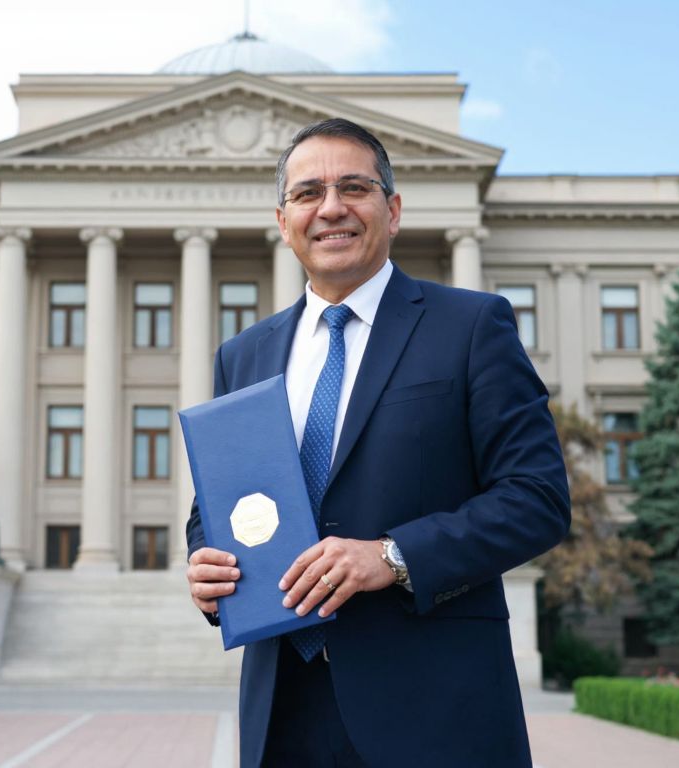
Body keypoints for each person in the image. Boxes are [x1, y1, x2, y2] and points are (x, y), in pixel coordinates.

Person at [185, 117, 570, 767]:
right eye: (308, 194)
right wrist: (206, 564)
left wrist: (391, 557)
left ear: (391, 210)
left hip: (434, 712)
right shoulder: (244, 355)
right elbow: (217, 505)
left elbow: (537, 500)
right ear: (283, 221)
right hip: (284, 710)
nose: (330, 208)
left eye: (354, 188)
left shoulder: (471, 327)